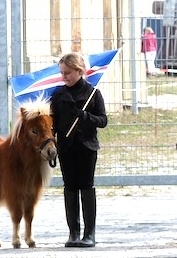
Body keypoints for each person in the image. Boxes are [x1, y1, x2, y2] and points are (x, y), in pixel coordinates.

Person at [50, 52, 108, 248]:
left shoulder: (93, 93)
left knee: (86, 186)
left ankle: (89, 233)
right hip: (66, 147)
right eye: (62, 73)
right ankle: (73, 232)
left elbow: (103, 121)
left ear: (79, 71)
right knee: (70, 187)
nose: (64, 77)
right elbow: (53, 122)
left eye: (67, 73)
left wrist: (85, 117)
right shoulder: (58, 95)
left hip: (87, 147)